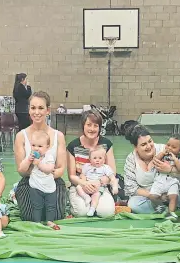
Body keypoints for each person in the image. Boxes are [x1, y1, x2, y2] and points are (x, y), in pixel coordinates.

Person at [14, 91, 67, 221]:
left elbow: (60, 169)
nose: (36, 112)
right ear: (29, 110)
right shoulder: (21, 136)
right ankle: (16, 193)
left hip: (52, 181)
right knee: (29, 216)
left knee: (56, 215)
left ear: (48, 110)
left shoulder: (58, 136)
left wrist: (45, 175)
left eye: (41, 108)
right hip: (30, 182)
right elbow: (22, 171)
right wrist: (37, 175)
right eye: (33, 108)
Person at [124, 123, 180, 214]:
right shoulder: (131, 159)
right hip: (150, 196)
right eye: (143, 144)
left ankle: (165, 207)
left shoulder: (167, 149)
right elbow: (131, 188)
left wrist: (170, 170)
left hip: (172, 191)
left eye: (150, 141)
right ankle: (166, 208)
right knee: (133, 204)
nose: (149, 146)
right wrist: (156, 196)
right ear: (135, 147)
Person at [67, 110, 117, 217]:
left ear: (99, 128)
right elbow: (71, 176)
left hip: (100, 186)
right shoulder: (73, 146)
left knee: (106, 213)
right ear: (83, 126)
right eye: (88, 125)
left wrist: (99, 182)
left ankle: (95, 204)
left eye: (96, 126)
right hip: (80, 186)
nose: (92, 129)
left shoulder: (106, 144)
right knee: (81, 213)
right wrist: (85, 184)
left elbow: (112, 172)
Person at [18, 130, 60, 229]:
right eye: (33, 145)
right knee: (36, 205)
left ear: (47, 147)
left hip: (49, 187)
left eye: (40, 146)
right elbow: (22, 169)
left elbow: (49, 170)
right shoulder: (30, 156)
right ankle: (37, 221)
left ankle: (50, 221)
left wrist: (39, 164)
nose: (36, 148)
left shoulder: (49, 157)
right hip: (35, 186)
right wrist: (29, 160)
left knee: (51, 206)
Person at [149, 134, 180, 220]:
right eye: (168, 145)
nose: (169, 148)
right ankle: (161, 208)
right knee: (152, 196)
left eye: (173, 147)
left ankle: (171, 212)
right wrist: (162, 153)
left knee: (173, 196)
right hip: (160, 180)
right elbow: (155, 161)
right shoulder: (163, 155)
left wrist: (175, 160)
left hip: (172, 181)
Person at [76, 146, 119, 217]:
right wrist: (84, 182)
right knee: (78, 187)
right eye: (94, 158)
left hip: (98, 187)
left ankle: (92, 209)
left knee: (96, 196)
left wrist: (115, 187)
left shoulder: (105, 168)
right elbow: (82, 175)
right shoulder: (87, 166)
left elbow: (113, 178)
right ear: (90, 159)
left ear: (104, 159)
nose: (97, 160)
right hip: (87, 185)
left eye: (100, 158)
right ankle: (86, 197)